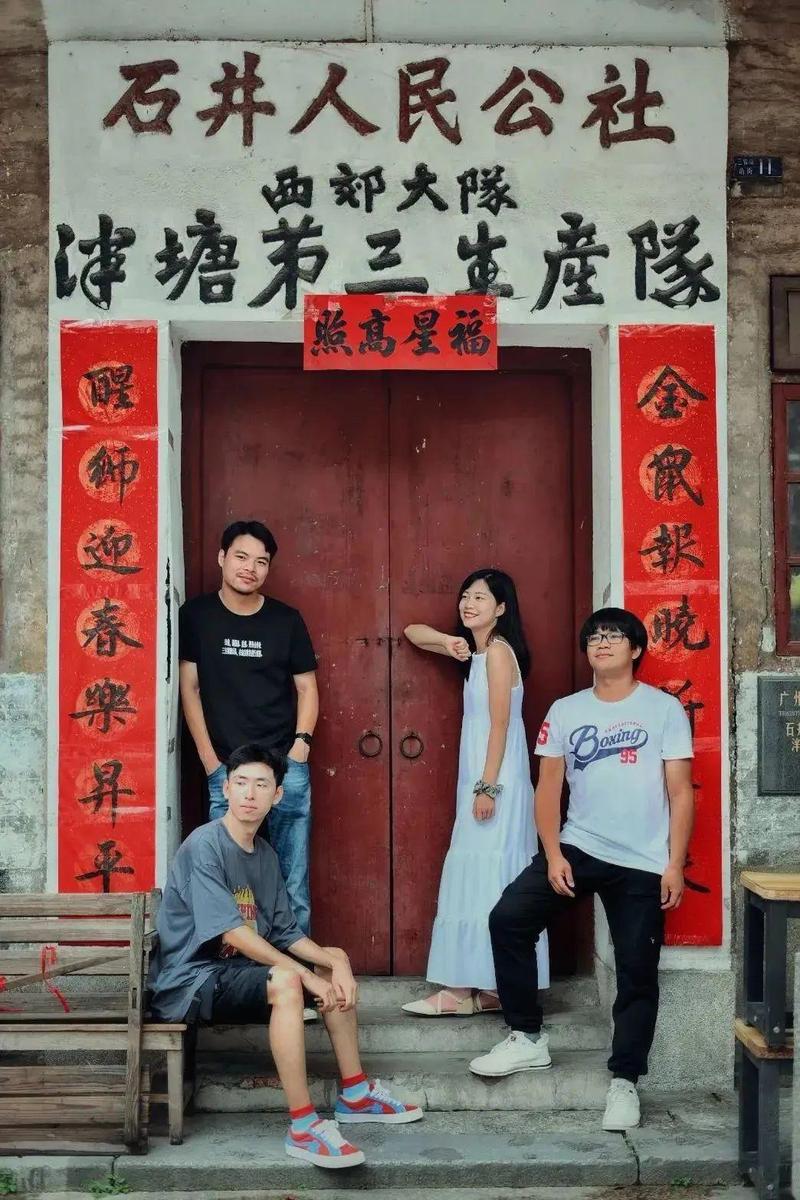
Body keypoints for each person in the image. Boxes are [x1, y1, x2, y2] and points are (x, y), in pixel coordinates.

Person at [469, 608, 694, 1133]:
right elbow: (549, 788)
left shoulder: (663, 709)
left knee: (637, 971)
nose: (602, 643)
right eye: (594, 636)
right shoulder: (566, 710)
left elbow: (681, 791)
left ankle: (625, 1081)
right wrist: (553, 853)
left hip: (642, 862)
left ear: (635, 649)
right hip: (578, 847)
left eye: (614, 636)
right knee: (509, 919)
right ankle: (527, 1037)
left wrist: (674, 864)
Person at [148, 744, 423, 1168]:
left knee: (328, 957)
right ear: (226, 788)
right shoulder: (205, 845)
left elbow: (285, 932)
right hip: (191, 979)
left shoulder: (264, 854)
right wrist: (306, 975)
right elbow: (233, 933)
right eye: (241, 782)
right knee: (288, 980)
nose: (249, 793)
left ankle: (355, 1094)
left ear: (277, 795)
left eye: (261, 785)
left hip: (232, 971)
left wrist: (337, 962)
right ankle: (304, 1126)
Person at [400, 568, 549, 1017]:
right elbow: (412, 632)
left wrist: (486, 787)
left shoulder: (499, 653)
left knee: (486, 874)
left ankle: (461, 990)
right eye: (466, 596)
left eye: (481, 598)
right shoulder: (478, 652)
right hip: (485, 777)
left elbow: (501, 725)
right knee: (485, 877)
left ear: (501, 608)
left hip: (495, 781)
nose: (469, 604)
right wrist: (449, 642)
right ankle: (491, 987)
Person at [179, 520, 318, 940]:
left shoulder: (286, 620)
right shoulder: (197, 616)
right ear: (222, 558)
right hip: (227, 769)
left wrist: (300, 750)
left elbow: (307, 687)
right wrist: (209, 760)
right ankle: (236, 970)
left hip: (284, 769)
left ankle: (296, 967)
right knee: (227, 879)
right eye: (241, 557)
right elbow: (189, 688)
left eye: (261, 561)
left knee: (293, 880)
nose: (250, 568)